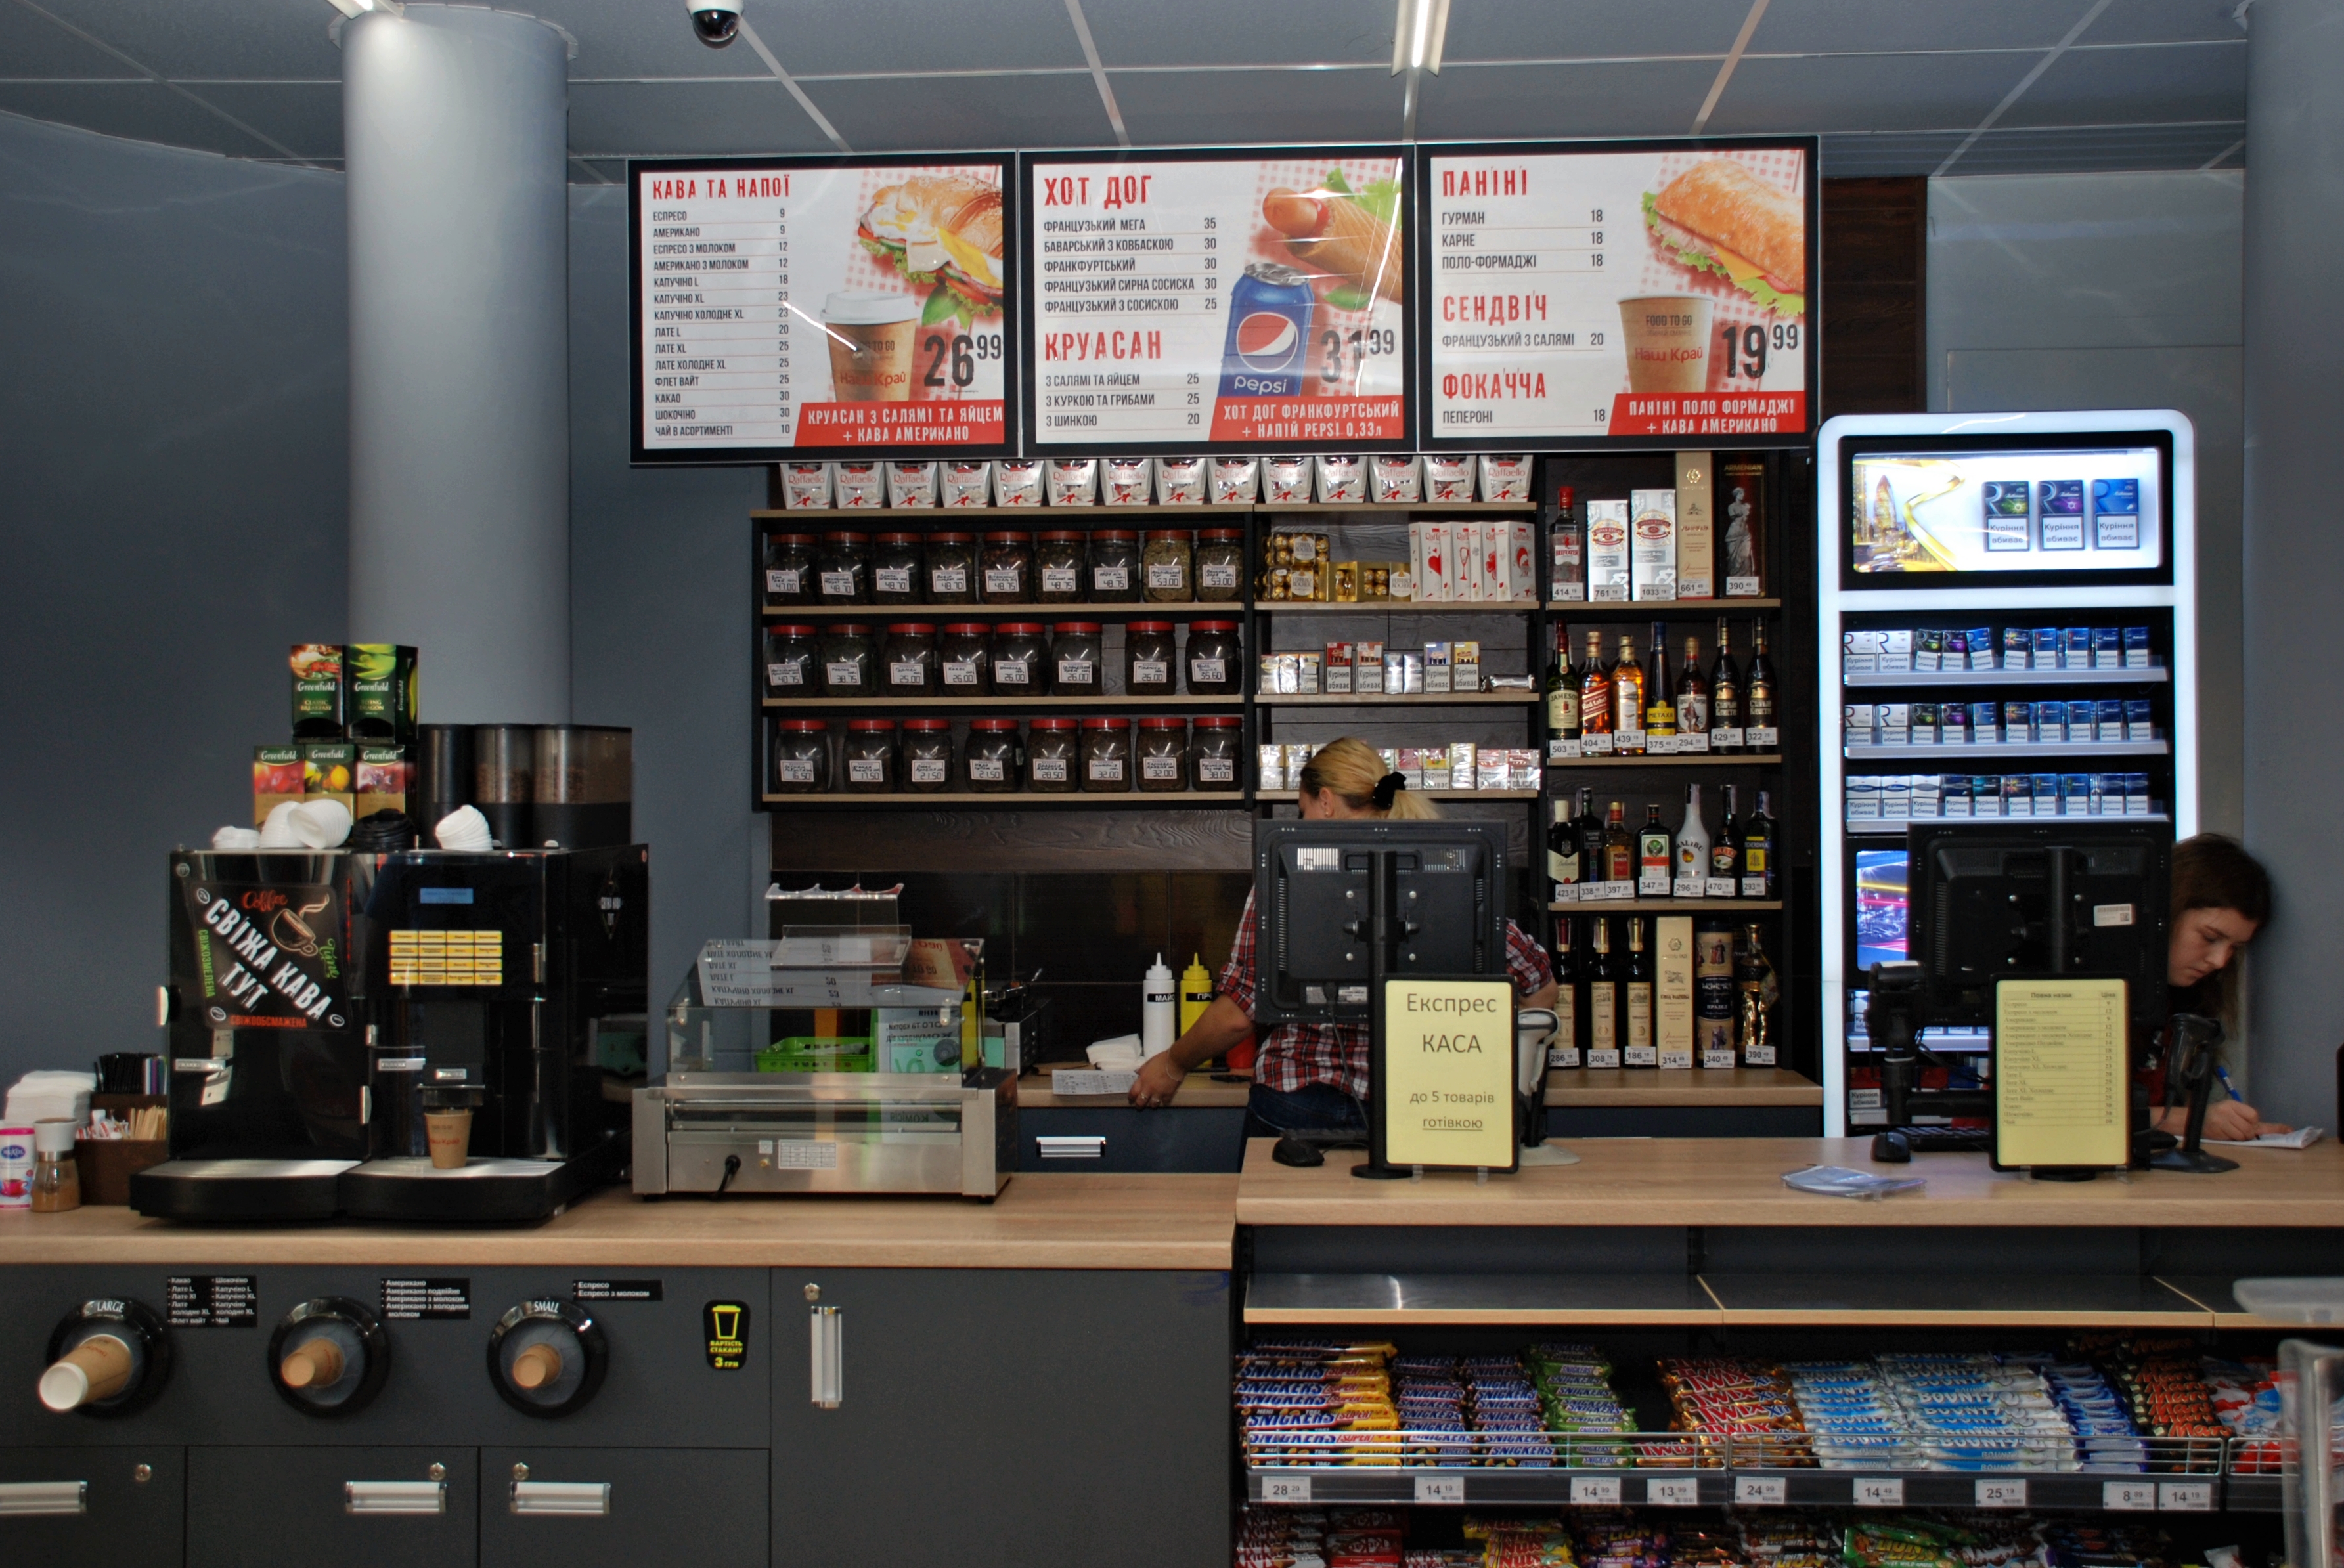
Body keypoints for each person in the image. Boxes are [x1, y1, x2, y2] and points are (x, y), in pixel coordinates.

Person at [1129, 737, 1559, 1135]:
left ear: (1326, 801)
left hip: (1299, 1100)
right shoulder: (1447, 872)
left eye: (1303, 811)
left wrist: (1172, 1065)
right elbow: (1540, 990)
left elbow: (1239, 1013)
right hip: (1421, 1108)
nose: (1301, 824)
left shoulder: (1285, 877)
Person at [2154, 833, 2285, 1141]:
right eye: (2210, 938)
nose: (2220, 961)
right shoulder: (2091, 992)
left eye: (2234, 948)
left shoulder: (2189, 1004)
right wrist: (2191, 1121)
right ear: (2166, 913)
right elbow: (2067, 1115)